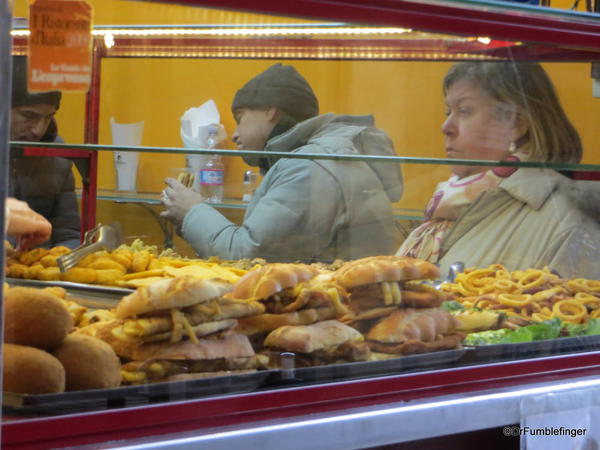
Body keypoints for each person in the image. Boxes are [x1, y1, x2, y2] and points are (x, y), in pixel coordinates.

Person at [161, 63, 403, 262]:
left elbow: (249, 257)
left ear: (270, 111)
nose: (234, 134)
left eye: (240, 118)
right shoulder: (320, 158)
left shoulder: (308, 167)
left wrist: (192, 210)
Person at [397, 62, 600, 279]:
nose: (446, 127)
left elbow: (572, 308)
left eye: (464, 111)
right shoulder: (453, 202)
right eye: (449, 111)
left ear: (516, 124)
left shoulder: (567, 221)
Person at [9, 55, 80, 249]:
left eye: (48, 117)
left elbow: (67, 233)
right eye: (28, 116)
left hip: (37, 272)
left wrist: (63, 268)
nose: (38, 130)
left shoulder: (58, 153)